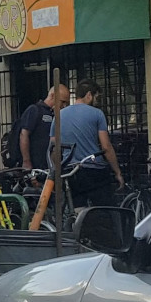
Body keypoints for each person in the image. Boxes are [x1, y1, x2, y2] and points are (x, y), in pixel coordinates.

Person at [49, 79, 124, 208]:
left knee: (78, 209)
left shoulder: (58, 116)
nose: (97, 101)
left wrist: (57, 173)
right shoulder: (97, 114)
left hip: (71, 171)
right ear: (89, 95)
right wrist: (117, 172)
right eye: (96, 97)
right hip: (95, 170)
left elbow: (54, 148)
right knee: (104, 209)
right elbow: (106, 146)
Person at [19, 84, 70, 170]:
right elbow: (24, 134)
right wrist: (26, 161)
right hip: (36, 164)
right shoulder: (35, 110)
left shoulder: (57, 114)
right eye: (62, 102)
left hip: (50, 165)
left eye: (66, 103)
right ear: (52, 96)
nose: (64, 106)